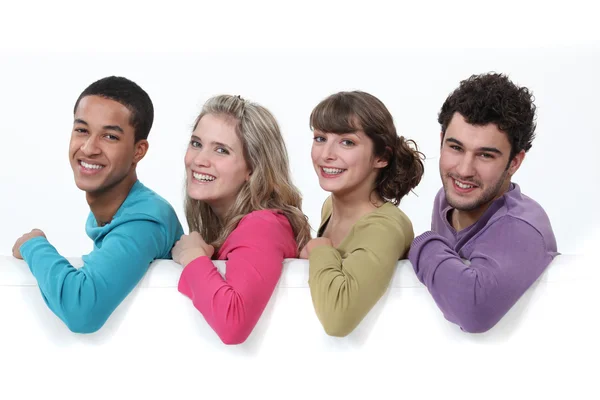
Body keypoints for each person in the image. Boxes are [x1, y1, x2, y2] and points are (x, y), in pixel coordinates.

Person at [12, 76, 184, 333]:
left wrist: (34, 244)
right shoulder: (118, 212)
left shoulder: (145, 220)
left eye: (110, 136)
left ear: (139, 151)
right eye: (82, 130)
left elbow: (81, 310)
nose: (89, 148)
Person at [408, 72, 558, 333]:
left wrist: (421, 243)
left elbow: (472, 309)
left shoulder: (521, 227)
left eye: (485, 155)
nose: (464, 170)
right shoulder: (446, 200)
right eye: (455, 147)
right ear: (441, 139)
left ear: (514, 162)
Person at [172, 94, 310, 345]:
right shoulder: (242, 226)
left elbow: (233, 324)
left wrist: (193, 257)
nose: (199, 160)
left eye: (221, 150)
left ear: (253, 168)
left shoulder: (263, 225)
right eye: (196, 143)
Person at [300, 91, 424, 337]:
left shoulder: (385, 227)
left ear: (382, 157)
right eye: (320, 138)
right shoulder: (330, 207)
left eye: (347, 142)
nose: (326, 154)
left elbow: (338, 320)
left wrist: (319, 248)